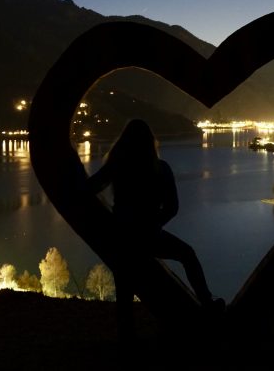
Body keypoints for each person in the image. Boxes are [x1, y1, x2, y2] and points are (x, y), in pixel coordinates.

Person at [85, 119, 223, 338]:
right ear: (151, 142)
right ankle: (207, 302)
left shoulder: (117, 166)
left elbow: (90, 187)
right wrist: (153, 225)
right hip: (149, 234)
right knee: (188, 255)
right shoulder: (161, 168)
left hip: (122, 236)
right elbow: (172, 207)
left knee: (125, 287)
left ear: (123, 142)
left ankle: (126, 339)